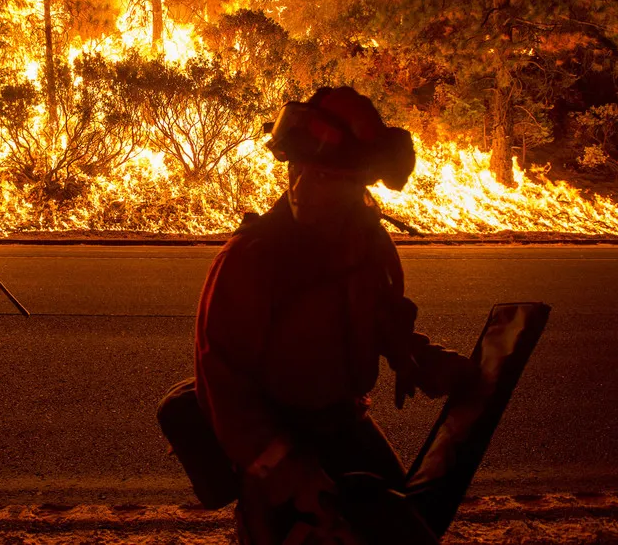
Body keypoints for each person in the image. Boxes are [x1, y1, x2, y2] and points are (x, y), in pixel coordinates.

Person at [194, 87, 478, 544]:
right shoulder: (252, 259)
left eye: (325, 175)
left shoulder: (365, 245)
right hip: (281, 443)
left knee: (407, 529)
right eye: (297, 168)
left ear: (359, 181)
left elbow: (383, 319)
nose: (303, 186)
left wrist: (428, 362)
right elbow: (221, 383)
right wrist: (288, 472)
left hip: (347, 425)